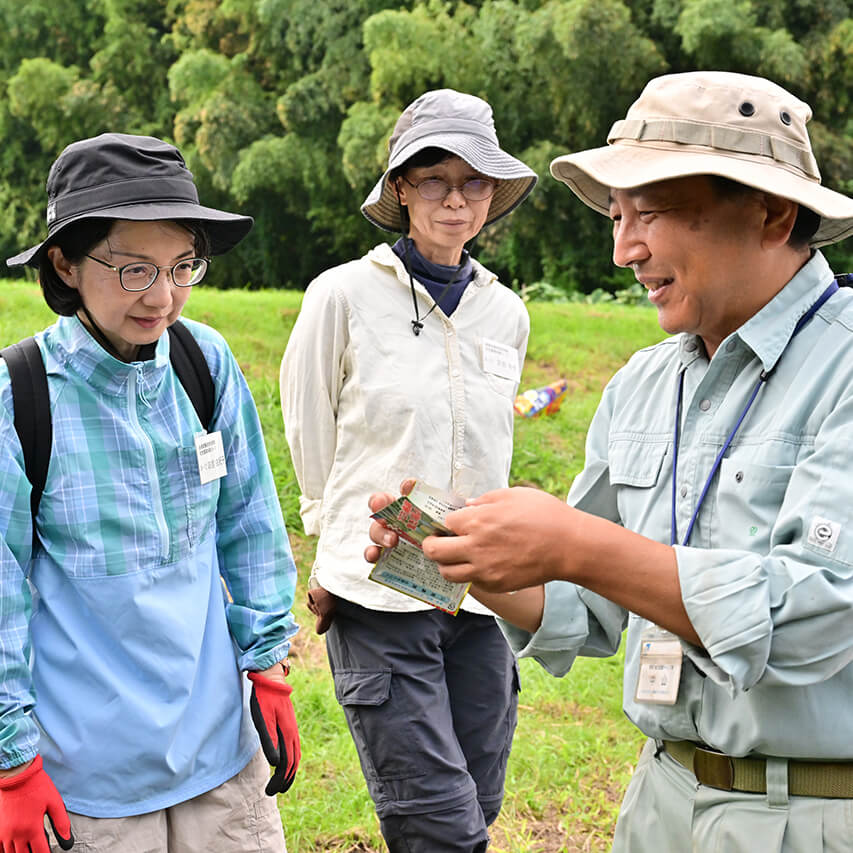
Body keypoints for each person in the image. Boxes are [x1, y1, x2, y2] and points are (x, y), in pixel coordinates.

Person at [367, 71, 853, 851]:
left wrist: (576, 544)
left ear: (770, 214)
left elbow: (817, 618)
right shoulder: (644, 384)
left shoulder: (842, 368)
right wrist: (485, 568)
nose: (624, 249)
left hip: (813, 814)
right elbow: (588, 609)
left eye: (649, 213)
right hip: (659, 798)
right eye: (617, 215)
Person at [0, 133, 300, 853]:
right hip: (88, 775)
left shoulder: (204, 361)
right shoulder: (22, 395)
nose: (162, 297)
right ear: (65, 262)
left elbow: (249, 518)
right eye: (134, 270)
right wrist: (11, 759)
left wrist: (266, 658)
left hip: (221, 754)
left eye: (181, 266)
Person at [280, 89, 537, 852]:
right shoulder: (343, 295)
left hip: (476, 590)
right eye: (434, 180)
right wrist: (327, 544)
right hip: (377, 584)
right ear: (399, 187)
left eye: (473, 182)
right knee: (436, 821)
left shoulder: (506, 311)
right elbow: (308, 425)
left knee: (477, 795)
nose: (455, 201)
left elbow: (494, 446)